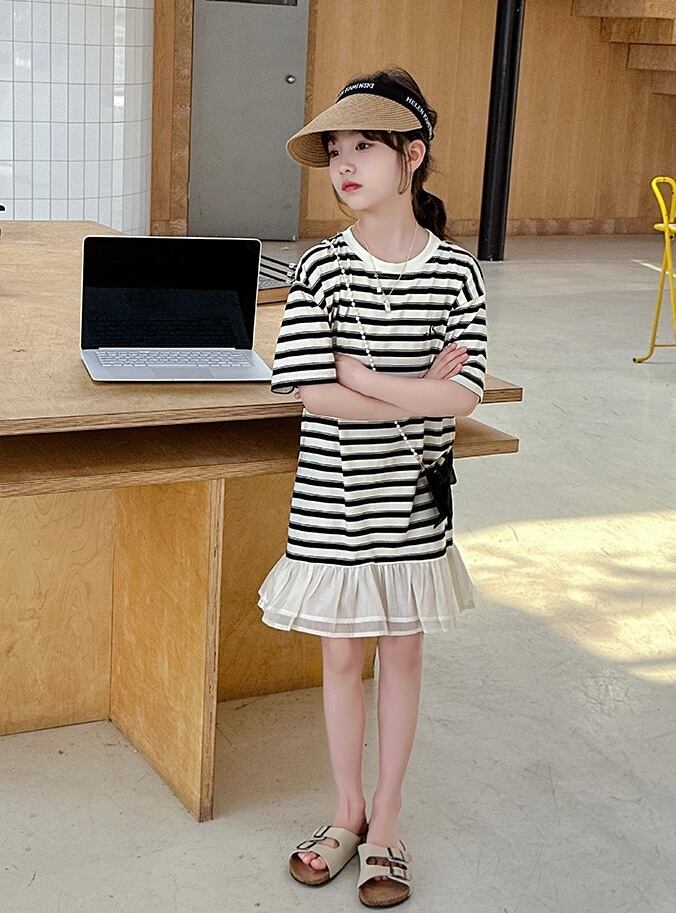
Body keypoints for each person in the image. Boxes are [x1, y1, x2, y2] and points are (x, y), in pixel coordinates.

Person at [257, 66, 487, 908]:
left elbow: (464, 396)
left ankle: (387, 818)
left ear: (412, 155)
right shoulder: (321, 267)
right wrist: (413, 386)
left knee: (404, 650)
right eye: (336, 151)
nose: (345, 164)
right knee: (341, 652)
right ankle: (346, 811)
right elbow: (310, 391)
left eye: (365, 146)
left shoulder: (458, 274)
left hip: (414, 504)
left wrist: (364, 375)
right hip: (333, 499)